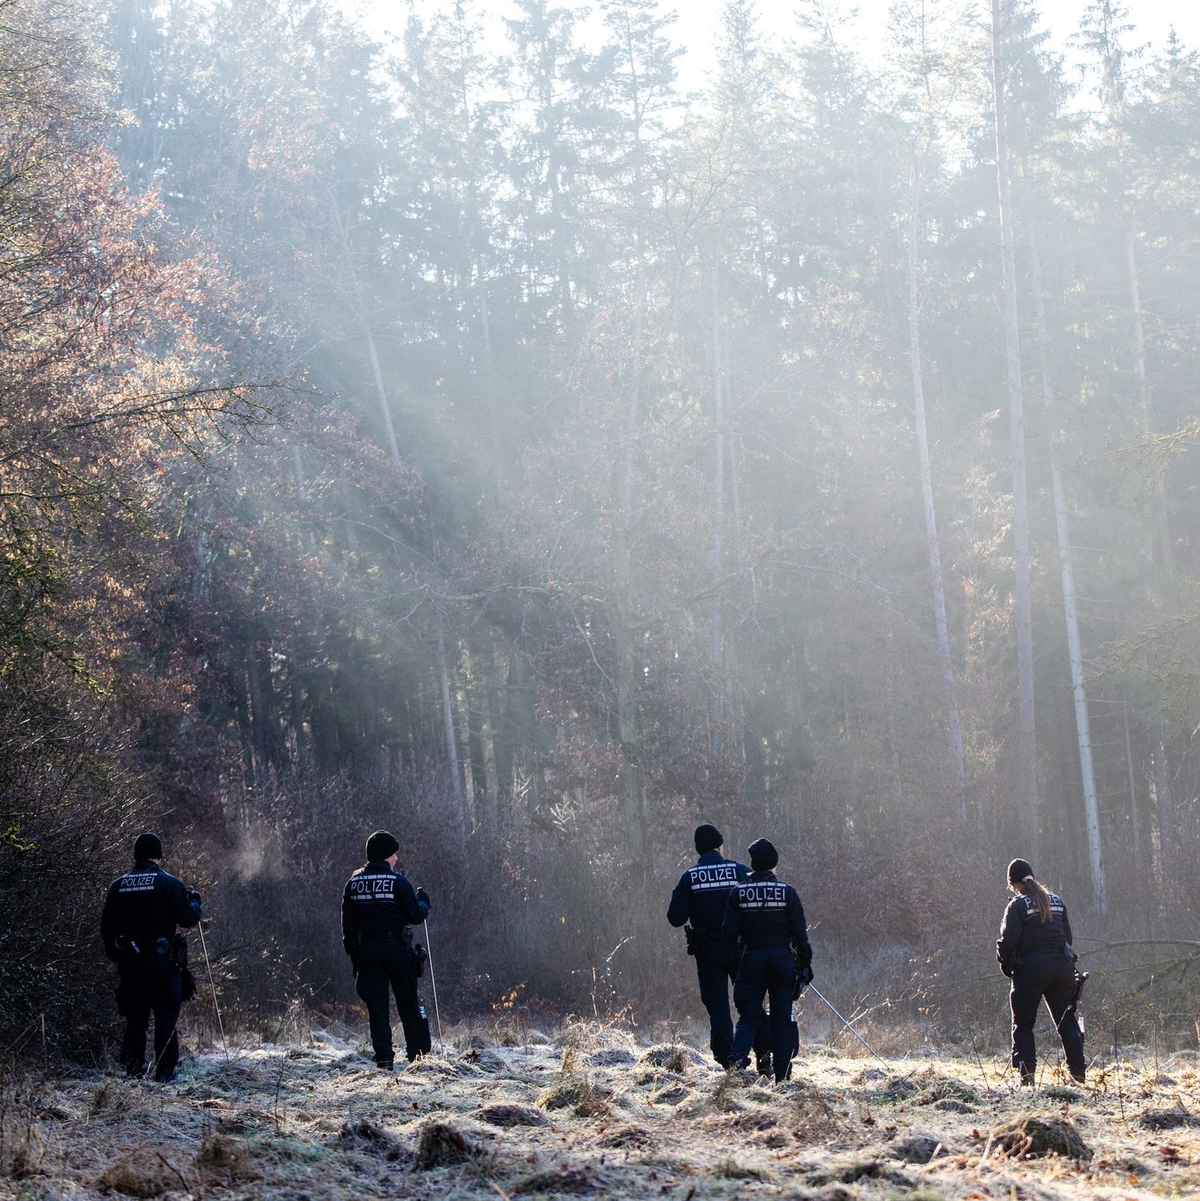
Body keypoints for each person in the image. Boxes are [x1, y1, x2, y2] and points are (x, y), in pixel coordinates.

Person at [667, 824, 773, 1073]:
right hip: (741, 950)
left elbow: (675, 917)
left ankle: (731, 1061)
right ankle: (764, 1055)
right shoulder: (739, 870)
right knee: (751, 1003)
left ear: (698, 849)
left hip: (708, 952)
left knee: (718, 1007)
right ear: (719, 846)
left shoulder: (689, 877)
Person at [100, 832, 203, 1083]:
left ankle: (133, 1072)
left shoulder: (118, 886)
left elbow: (106, 929)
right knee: (166, 1018)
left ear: (136, 855)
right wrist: (195, 902)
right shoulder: (170, 883)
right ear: (158, 855)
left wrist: (119, 956)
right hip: (164, 965)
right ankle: (165, 1073)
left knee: (136, 1021)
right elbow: (188, 919)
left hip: (132, 966)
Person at [722, 837, 812, 1083]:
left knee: (749, 1017)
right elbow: (801, 934)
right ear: (774, 864)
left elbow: (728, 933)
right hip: (782, 961)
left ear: (752, 864)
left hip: (751, 961)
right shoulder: (787, 892)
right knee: (782, 1018)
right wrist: (805, 965)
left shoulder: (737, 893)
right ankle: (782, 1079)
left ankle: (736, 1069)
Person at [342, 830, 432, 1070]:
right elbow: (415, 915)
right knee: (408, 1004)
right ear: (385, 855)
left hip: (367, 952)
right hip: (397, 951)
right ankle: (417, 1057)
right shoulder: (398, 882)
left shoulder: (352, 884)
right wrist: (424, 901)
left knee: (377, 1009)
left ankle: (384, 1059)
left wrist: (355, 956)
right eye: (394, 854)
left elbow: (347, 928)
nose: (396, 859)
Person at [996, 857, 1086, 1085]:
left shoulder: (1017, 905)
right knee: (1067, 1024)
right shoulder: (1057, 901)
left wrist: (1008, 966)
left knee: (1024, 1024)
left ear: (1013, 884)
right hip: (1062, 969)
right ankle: (1078, 1077)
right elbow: (1068, 939)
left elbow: (1007, 942)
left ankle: (1027, 1080)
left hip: (1032, 970)